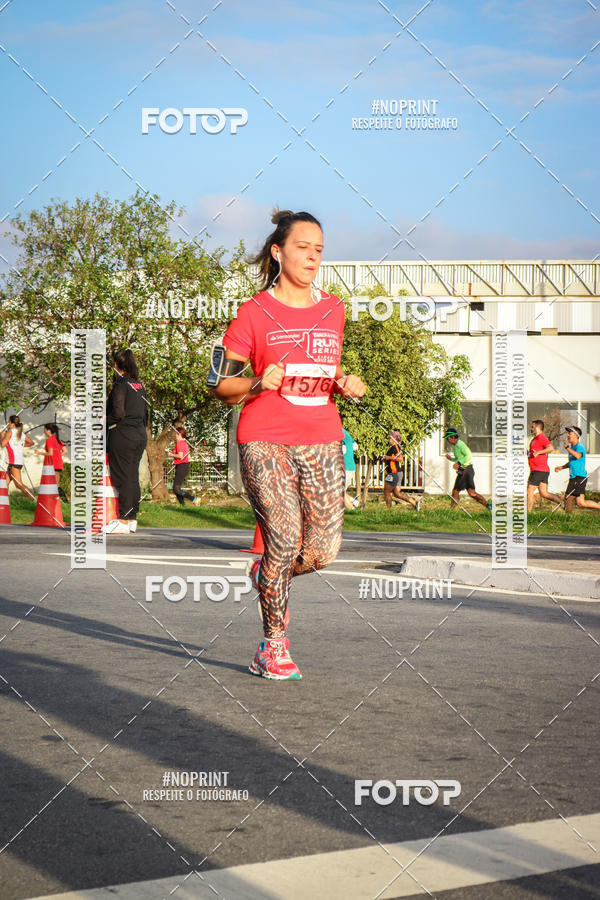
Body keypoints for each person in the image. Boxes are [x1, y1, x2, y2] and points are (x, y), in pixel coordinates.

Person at [212, 209, 366, 680]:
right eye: (303, 247)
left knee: (322, 551)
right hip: (265, 437)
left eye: (319, 249)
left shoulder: (334, 309)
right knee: (281, 538)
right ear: (278, 252)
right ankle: (273, 646)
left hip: (321, 436)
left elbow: (324, 371)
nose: (313, 257)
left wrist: (345, 382)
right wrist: (258, 382)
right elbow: (220, 384)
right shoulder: (252, 312)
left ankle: (267, 574)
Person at [105, 349, 148, 534]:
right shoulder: (139, 385)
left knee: (122, 477)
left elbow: (118, 413)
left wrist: (103, 419)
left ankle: (123, 520)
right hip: (139, 435)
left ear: (117, 365)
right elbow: (145, 415)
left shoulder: (120, 384)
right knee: (131, 477)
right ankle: (131, 519)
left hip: (123, 435)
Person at [554, 426, 600, 513]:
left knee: (568, 497)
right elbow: (572, 462)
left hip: (579, 477)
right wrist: (561, 467)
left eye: (570, 433)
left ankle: (568, 517)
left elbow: (578, 456)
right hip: (576, 477)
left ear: (576, 435)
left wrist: (567, 448)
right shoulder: (572, 448)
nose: (568, 435)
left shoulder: (579, 446)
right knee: (581, 503)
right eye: (568, 433)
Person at [443, 427, 490, 510]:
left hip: (466, 471)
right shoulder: (456, 446)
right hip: (467, 470)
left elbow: (468, 455)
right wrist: (452, 459)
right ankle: (489, 506)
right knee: (472, 493)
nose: (447, 441)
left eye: (448, 439)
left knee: (455, 491)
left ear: (453, 437)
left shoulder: (460, 444)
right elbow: (460, 458)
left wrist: (459, 463)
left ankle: (450, 511)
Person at [527, 419, 562, 513]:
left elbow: (551, 448)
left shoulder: (541, 437)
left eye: (532, 427)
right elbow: (534, 453)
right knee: (544, 493)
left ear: (537, 427)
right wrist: (528, 453)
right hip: (542, 470)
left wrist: (539, 452)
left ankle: (528, 514)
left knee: (529, 491)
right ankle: (561, 502)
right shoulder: (534, 439)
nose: (531, 428)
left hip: (538, 470)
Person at [382, 431, 420, 510]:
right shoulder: (392, 448)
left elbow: (400, 459)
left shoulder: (395, 447)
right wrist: (385, 459)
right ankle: (414, 503)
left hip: (394, 473)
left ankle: (388, 511)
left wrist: (388, 457)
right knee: (397, 493)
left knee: (387, 492)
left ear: (394, 439)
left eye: (390, 438)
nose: (389, 440)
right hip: (395, 473)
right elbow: (392, 459)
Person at [1, 415, 35, 499]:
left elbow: (2, 444)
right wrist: (20, 445)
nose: (8, 424)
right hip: (16, 461)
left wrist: (1, 436)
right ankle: (3, 502)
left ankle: (34, 499)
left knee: (18, 484)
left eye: (9, 422)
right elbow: (31, 442)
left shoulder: (10, 432)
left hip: (14, 462)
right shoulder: (20, 433)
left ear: (11, 423)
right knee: (4, 483)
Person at [35, 423, 68, 499]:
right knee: (56, 484)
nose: (44, 432)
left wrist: (39, 453)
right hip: (58, 463)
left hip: (53, 464)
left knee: (53, 484)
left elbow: (50, 453)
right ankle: (56, 500)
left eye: (44, 430)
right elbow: (65, 451)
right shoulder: (57, 440)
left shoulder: (49, 440)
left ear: (49, 431)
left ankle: (63, 500)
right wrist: (58, 456)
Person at [169, 426, 200, 507]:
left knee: (176, 489)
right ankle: (182, 506)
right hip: (184, 467)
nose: (175, 435)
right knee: (177, 489)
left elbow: (180, 456)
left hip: (181, 467)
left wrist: (171, 454)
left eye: (176, 434)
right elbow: (188, 457)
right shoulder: (185, 443)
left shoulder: (179, 443)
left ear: (179, 434)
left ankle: (194, 499)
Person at [342, 427, 361, 509]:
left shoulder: (336, 433)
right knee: (339, 491)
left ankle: (352, 509)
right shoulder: (346, 433)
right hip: (350, 466)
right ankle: (355, 503)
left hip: (345, 467)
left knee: (339, 492)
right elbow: (356, 446)